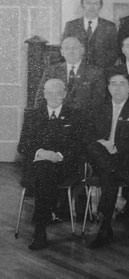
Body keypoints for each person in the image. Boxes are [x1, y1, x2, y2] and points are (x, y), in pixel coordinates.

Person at [85, 73, 129, 249]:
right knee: (93, 148)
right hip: (103, 156)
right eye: (113, 84)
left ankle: (104, 229)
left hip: (127, 158)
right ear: (108, 88)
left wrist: (116, 147)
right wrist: (103, 143)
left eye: (122, 84)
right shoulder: (99, 108)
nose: (117, 88)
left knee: (109, 175)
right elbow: (88, 135)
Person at [18, 79, 85, 250]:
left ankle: (40, 227)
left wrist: (59, 156)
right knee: (44, 169)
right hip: (39, 165)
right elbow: (23, 145)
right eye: (49, 92)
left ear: (64, 94)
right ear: (44, 94)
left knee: (45, 173)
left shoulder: (75, 115)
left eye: (58, 93)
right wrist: (42, 153)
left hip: (64, 167)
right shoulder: (33, 115)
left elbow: (78, 145)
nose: (54, 96)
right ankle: (42, 225)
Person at [34, 36, 105, 112]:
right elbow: (40, 98)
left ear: (82, 50)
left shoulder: (96, 73)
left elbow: (98, 104)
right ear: (62, 52)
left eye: (75, 48)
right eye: (67, 48)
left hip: (84, 117)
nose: (71, 51)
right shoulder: (51, 71)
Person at [62, 0, 118, 69]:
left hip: (102, 71)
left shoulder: (109, 26)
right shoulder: (71, 25)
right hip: (77, 70)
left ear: (100, 6)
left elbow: (114, 52)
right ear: (82, 5)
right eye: (88, 3)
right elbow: (65, 49)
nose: (91, 7)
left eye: (95, 3)